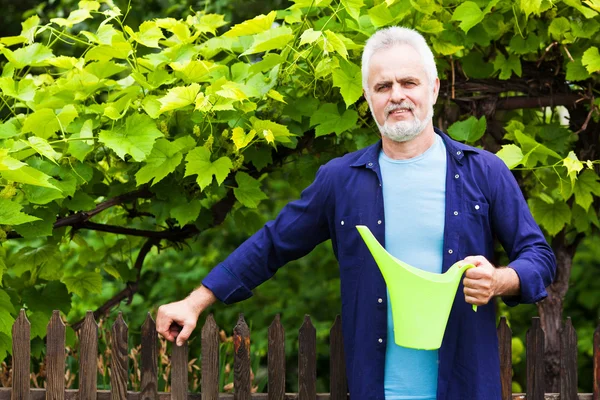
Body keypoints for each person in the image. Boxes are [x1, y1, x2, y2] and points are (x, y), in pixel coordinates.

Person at [156, 26, 556, 400]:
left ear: (433, 89)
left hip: (466, 386)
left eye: (409, 82)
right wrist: (195, 302)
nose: (396, 95)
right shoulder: (340, 181)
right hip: (375, 389)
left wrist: (501, 280)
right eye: (383, 86)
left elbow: (539, 258)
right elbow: (272, 244)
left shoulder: (485, 172)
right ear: (368, 98)